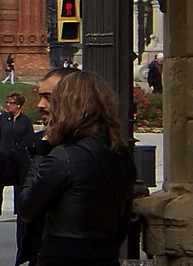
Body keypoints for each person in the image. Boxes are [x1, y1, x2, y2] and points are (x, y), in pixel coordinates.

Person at [16, 71, 136, 266]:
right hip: (105, 255)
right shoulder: (119, 152)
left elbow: (27, 208)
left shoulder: (64, 157)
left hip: (63, 255)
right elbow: (125, 214)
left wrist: (40, 154)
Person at [0, 65, 80, 266]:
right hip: (39, 255)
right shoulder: (36, 144)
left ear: (73, 99)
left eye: (48, 97)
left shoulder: (94, 151)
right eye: (40, 97)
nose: (40, 104)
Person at [0, 92, 32, 217]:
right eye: (8, 103)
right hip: (3, 155)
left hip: (18, 157)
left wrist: (22, 150)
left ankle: (18, 211)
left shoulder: (25, 121)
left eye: (12, 103)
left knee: (19, 184)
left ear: (19, 105)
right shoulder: (3, 118)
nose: (9, 105)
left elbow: (30, 138)